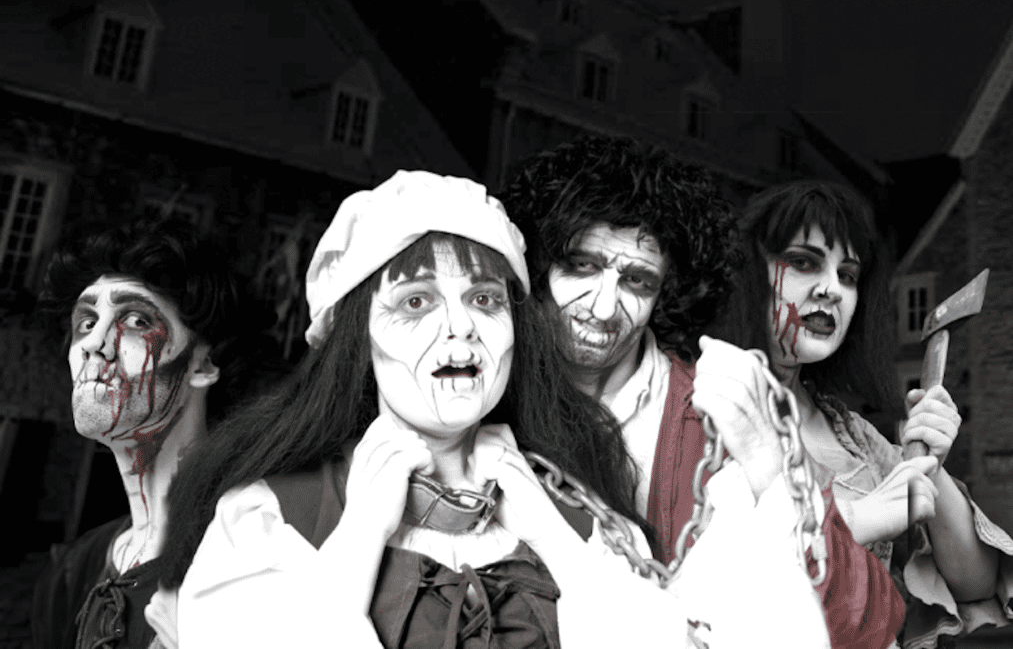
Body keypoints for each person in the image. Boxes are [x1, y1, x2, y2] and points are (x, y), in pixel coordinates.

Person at [147, 170, 709, 648]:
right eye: (416, 301)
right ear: (358, 339)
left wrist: (552, 535)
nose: (461, 326)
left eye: (485, 299)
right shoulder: (271, 516)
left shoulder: (581, 515)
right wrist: (361, 535)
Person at [500, 136, 905, 649]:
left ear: (666, 291)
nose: (602, 308)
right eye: (581, 266)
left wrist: (769, 471)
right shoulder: (486, 398)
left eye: (637, 281)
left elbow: (869, 625)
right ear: (539, 267)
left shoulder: (723, 415)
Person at [716, 179, 1013, 648]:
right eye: (803, 262)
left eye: (848, 275)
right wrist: (860, 517)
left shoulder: (859, 440)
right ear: (749, 273)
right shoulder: (699, 410)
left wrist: (930, 467)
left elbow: (974, 584)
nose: (831, 289)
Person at [31, 219, 239, 649]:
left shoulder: (251, 551)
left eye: (137, 320)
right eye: (86, 322)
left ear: (203, 364)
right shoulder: (71, 571)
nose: (94, 343)